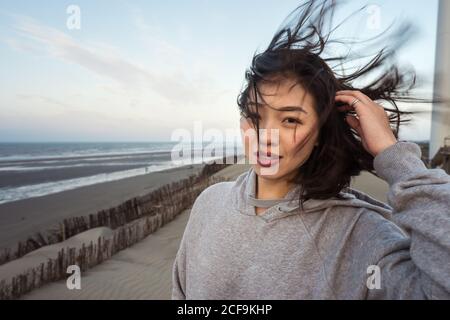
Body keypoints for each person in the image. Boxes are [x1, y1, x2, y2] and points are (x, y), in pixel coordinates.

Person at [171, 0, 450, 299]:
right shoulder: (209, 204)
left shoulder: (358, 236)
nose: (267, 136)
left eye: (290, 119)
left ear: (319, 133)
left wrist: (393, 156)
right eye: (255, 115)